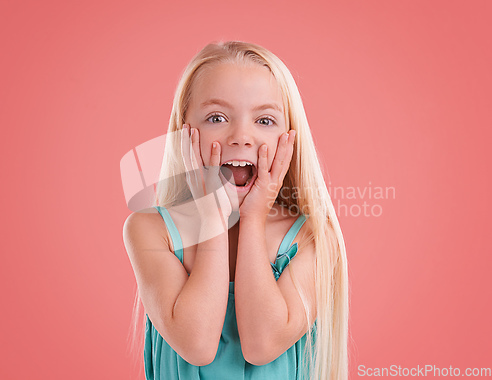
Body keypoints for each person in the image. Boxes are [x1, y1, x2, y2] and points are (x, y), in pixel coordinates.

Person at [123, 41, 349, 380]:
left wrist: (254, 220)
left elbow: (261, 345)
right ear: (185, 133)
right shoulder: (149, 229)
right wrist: (213, 218)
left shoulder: (313, 237)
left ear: (290, 138)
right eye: (216, 117)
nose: (242, 136)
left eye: (264, 120)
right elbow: (197, 344)